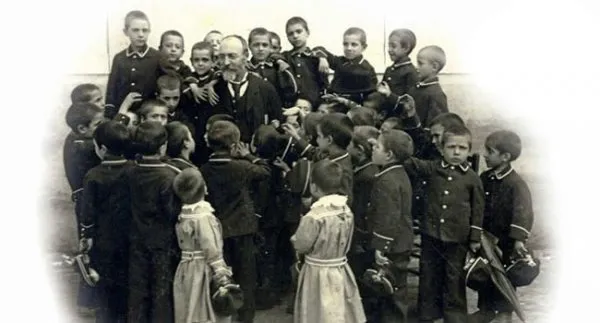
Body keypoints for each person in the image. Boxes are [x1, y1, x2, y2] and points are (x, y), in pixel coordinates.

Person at [404, 124, 484, 323]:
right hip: (431, 235)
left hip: (457, 238)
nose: (456, 152)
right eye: (451, 147)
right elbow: (410, 163)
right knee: (429, 275)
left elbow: (478, 209)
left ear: (469, 150)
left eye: (462, 148)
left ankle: (454, 317)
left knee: (453, 278)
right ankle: (428, 313)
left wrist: (474, 238)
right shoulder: (432, 169)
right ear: (441, 149)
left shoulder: (472, 179)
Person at [200, 120, 271, 323]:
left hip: (219, 232)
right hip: (243, 230)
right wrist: (248, 155)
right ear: (233, 146)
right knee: (246, 279)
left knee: (222, 280)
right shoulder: (242, 167)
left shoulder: (203, 169)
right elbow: (265, 171)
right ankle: (245, 318)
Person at [471, 130, 534, 323]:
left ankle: (504, 315)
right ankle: (486, 310)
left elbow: (523, 213)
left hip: (505, 246)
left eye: (490, 152)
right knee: (487, 277)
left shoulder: (516, 184)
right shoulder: (485, 178)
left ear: (505, 157)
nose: (485, 155)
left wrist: (518, 241)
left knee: (503, 280)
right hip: (487, 242)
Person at [292, 159, 366, 323]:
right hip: (340, 268)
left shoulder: (314, 216)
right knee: (338, 308)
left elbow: (302, 244)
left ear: (314, 187)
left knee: (318, 309)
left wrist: (295, 239)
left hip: (317, 271)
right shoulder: (346, 210)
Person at [126, 121, 182, 323]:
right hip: (162, 242)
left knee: (138, 289)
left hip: (136, 238)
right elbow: (172, 211)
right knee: (161, 290)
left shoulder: (130, 171)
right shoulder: (169, 175)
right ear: (163, 147)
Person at [80, 120, 132, 322]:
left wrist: (87, 236)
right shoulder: (133, 170)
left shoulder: (93, 175)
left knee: (105, 291)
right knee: (125, 288)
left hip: (104, 243)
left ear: (101, 148)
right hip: (129, 239)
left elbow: (88, 213)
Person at [172, 168, 235, 323]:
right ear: (204, 188)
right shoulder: (204, 217)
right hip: (203, 268)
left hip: (186, 266)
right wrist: (221, 272)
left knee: (189, 305)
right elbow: (211, 246)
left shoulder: (183, 214)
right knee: (205, 308)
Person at [366, 129, 415, 323]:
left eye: (377, 147)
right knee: (392, 288)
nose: (372, 149)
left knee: (392, 291)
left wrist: (381, 248)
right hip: (400, 242)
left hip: (392, 246)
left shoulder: (387, 181)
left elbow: (388, 218)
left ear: (389, 155)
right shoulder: (396, 173)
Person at [63, 100, 105, 315]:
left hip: (84, 202)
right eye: (98, 125)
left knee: (90, 248)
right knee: (90, 250)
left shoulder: (73, 140)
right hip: (87, 204)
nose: (102, 127)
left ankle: (88, 300)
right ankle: (87, 302)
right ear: (82, 128)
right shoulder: (83, 147)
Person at [212, 35, 283, 143]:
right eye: (222, 57)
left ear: (245, 56)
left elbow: (276, 126)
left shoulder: (265, 89)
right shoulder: (214, 90)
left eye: (232, 56)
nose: (226, 62)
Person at [283, 112, 354, 205]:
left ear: (329, 140)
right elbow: (314, 153)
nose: (316, 140)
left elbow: (342, 201)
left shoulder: (343, 170)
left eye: (319, 136)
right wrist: (296, 137)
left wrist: (312, 201)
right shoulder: (331, 154)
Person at [105, 10, 161, 118]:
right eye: (135, 30)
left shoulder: (157, 57)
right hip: (123, 111)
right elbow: (112, 88)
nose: (141, 35)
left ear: (149, 31)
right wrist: (110, 113)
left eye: (145, 30)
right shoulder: (119, 58)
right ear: (126, 32)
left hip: (148, 114)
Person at [346, 126, 379, 286]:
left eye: (349, 145)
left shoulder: (366, 176)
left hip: (362, 236)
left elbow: (360, 210)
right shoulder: (366, 170)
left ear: (359, 150)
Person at [274, 16, 329, 111]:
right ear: (287, 37)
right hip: (291, 105)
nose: (295, 36)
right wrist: (279, 60)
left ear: (307, 33)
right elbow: (272, 56)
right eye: (290, 34)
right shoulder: (285, 56)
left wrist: (322, 57)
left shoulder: (315, 56)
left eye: (299, 31)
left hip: (314, 104)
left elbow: (324, 84)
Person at [313, 27, 378, 104]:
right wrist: (322, 58)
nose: (348, 48)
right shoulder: (340, 61)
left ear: (364, 47)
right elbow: (317, 49)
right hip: (332, 99)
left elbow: (370, 93)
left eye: (354, 45)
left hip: (351, 104)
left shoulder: (367, 68)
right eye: (345, 44)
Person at [247, 27, 298, 108]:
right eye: (256, 45)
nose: (260, 49)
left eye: (265, 45)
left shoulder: (278, 68)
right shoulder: (246, 69)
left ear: (270, 47)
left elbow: (290, 92)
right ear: (249, 47)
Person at [375, 28, 419, 119]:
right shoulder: (389, 70)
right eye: (389, 46)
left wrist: (389, 95)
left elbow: (410, 103)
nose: (389, 50)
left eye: (393, 46)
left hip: (401, 118)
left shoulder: (411, 72)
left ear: (406, 48)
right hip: (386, 114)